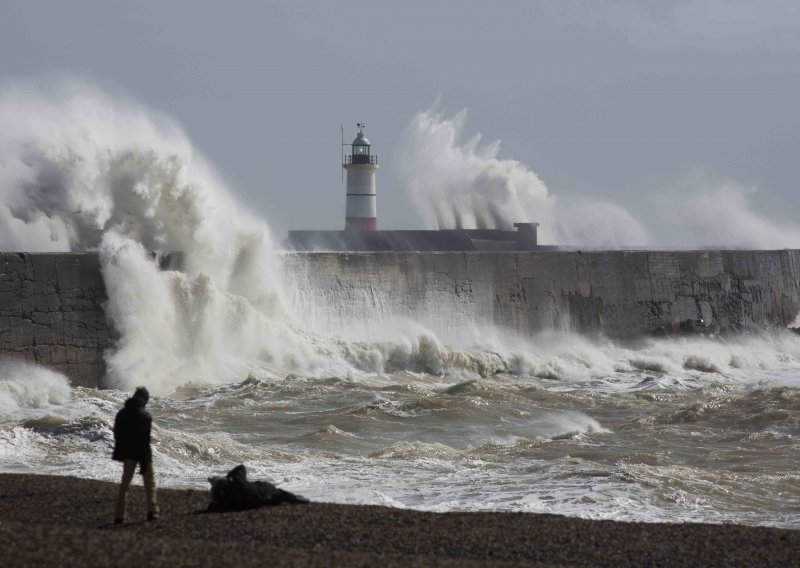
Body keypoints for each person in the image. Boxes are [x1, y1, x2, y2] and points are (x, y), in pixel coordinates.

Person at [112, 386, 160, 523]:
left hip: (128, 452)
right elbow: (145, 440)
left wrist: (122, 449)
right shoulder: (145, 416)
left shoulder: (121, 413)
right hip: (143, 453)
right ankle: (153, 511)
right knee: (149, 483)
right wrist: (144, 461)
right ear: (145, 400)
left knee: (125, 484)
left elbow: (117, 433)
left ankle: (119, 516)